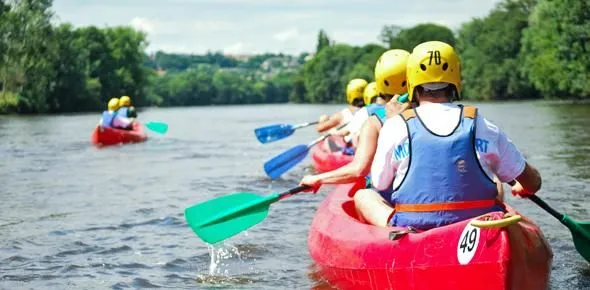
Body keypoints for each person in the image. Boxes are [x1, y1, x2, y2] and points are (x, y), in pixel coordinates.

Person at [356, 41, 541, 228]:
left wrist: (391, 124)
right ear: (456, 80)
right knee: (493, 177)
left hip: (415, 225)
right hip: (477, 224)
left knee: (363, 195)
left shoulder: (394, 125)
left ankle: (401, 238)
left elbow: (380, 183)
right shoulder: (483, 124)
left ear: (412, 82)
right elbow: (533, 183)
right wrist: (524, 185)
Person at [300, 49, 411, 195]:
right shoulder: (428, 113)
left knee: (362, 196)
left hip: (388, 191)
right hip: (424, 194)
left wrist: (318, 179)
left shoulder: (371, 120)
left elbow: (359, 169)